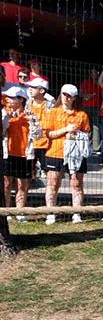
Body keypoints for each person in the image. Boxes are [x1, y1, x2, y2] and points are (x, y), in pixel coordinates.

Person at [42, 84, 91, 225]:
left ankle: (77, 214)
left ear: (75, 98)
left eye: (70, 96)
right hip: (55, 152)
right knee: (52, 183)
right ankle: (51, 214)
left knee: (77, 184)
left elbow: (87, 135)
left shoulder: (82, 115)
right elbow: (48, 134)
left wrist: (76, 135)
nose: (66, 97)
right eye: (64, 94)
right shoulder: (52, 112)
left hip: (76, 154)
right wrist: (65, 130)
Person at [2, 86, 41, 221]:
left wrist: (32, 121)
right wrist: (7, 116)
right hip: (8, 154)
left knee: (22, 185)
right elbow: (3, 129)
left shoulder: (29, 115)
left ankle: (20, 212)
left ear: (21, 100)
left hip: (25, 155)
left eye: (12, 98)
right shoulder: (5, 113)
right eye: (8, 97)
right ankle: (6, 212)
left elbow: (38, 135)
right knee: (6, 184)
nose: (8, 100)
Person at [25, 77, 52, 177]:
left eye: (33, 87)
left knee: (48, 173)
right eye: (29, 87)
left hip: (45, 144)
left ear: (41, 90)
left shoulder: (49, 106)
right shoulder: (27, 104)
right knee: (28, 173)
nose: (30, 89)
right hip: (30, 143)